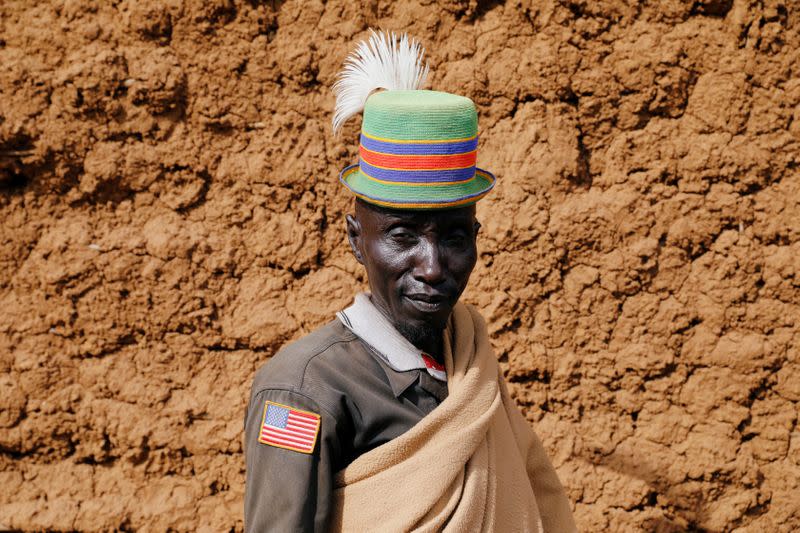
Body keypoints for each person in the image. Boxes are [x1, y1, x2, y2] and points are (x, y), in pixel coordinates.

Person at [244, 31, 577, 532]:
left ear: (477, 237)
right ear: (357, 239)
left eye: (454, 237)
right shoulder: (306, 389)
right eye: (402, 236)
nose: (433, 266)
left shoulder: (469, 368)